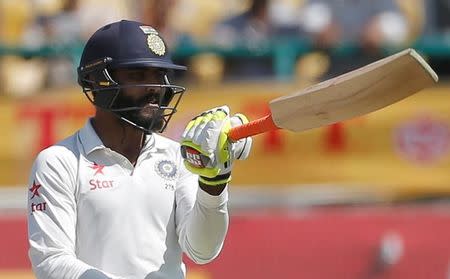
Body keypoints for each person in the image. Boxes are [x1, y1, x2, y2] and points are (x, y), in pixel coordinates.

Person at [27, 20, 252, 279]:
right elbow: (51, 262)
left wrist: (213, 184)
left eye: (159, 76)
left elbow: (202, 250)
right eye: (138, 75)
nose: (155, 88)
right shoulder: (59, 162)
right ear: (98, 81)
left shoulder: (176, 157)